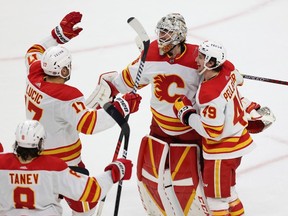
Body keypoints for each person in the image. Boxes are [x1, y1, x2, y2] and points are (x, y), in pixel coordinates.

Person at [92, 13, 211, 215]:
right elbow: (123, 81)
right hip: (159, 127)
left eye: (167, 34)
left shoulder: (197, 57)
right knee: (152, 175)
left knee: (191, 176)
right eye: (161, 33)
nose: (161, 39)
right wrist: (109, 91)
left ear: (179, 36)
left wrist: (225, 73)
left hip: (190, 128)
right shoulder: (151, 54)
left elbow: (216, 82)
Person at [24, 11, 142, 215]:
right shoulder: (66, 95)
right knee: (86, 205)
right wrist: (122, 107)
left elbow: (33, 51)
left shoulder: (33, 73)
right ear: (63, 71)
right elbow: (90, 124)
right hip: (65, 163)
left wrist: (57, 35)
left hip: (35, 157)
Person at [173, 40, 275, 215]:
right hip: (236, 144)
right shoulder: (227, 69)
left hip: (221, 152)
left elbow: (212, 132)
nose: (196, 60)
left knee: (216, 199)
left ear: (212, 63)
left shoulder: (209, 94)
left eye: (201, 57)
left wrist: (186, 114)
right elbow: (238, 78)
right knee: (229, 193)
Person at [0, 120, 133, 216]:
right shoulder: (53, 167)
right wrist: (115, 172)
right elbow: (91, 190)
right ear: (40, 143)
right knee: (85, 204)